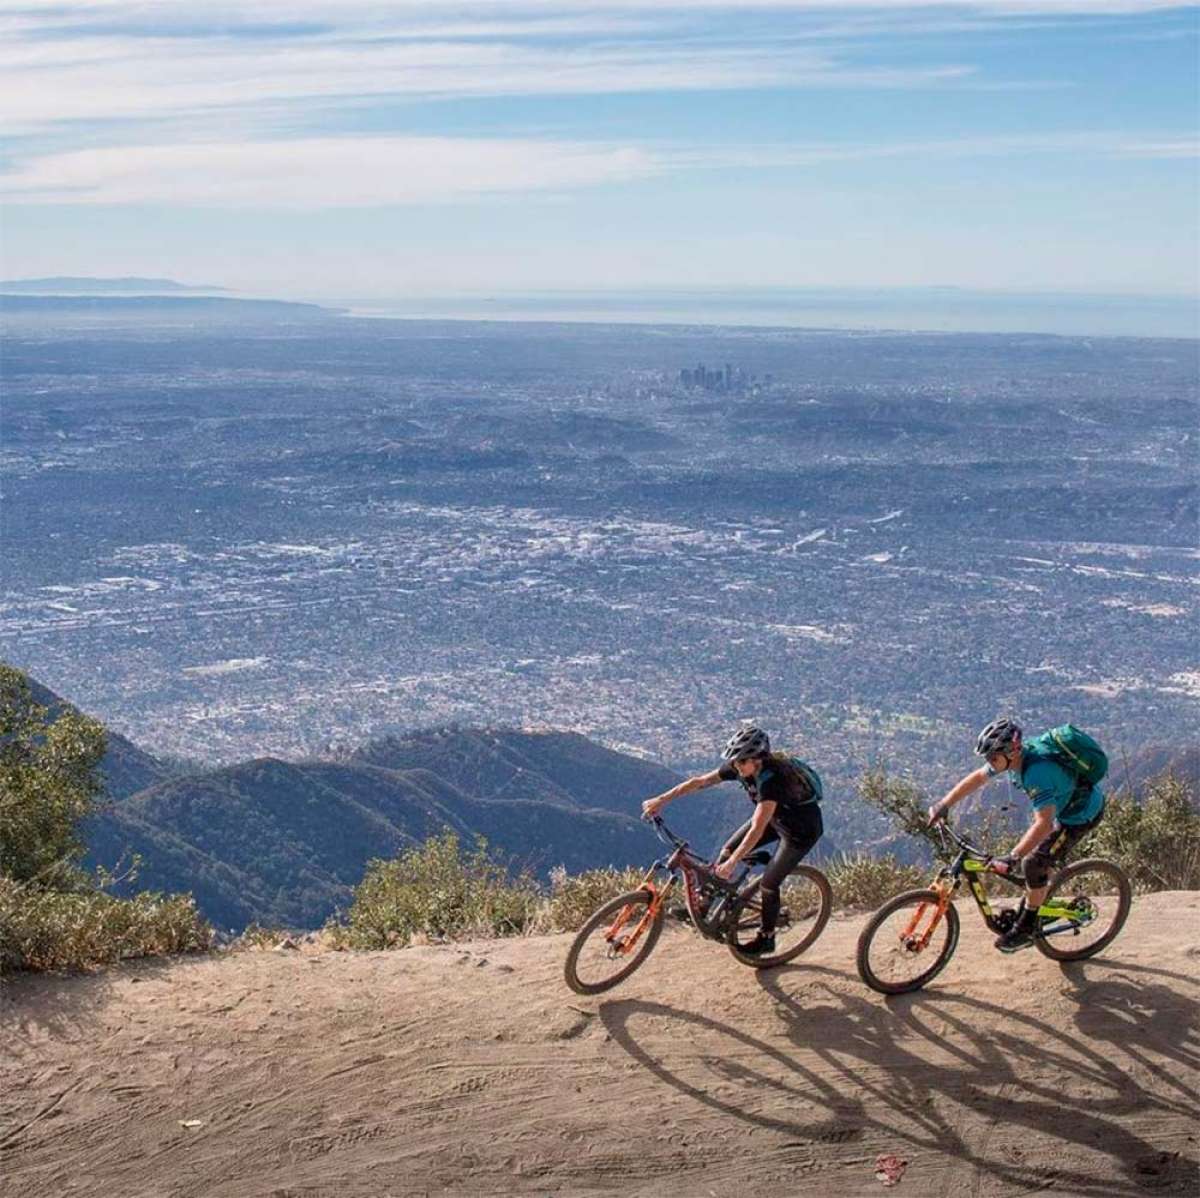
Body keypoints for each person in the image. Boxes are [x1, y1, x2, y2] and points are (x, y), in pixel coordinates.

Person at [641, 723, 823, 956]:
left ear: (757, 759)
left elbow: (757, 827)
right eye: (734, 761)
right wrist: (661, 799)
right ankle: (704, 906)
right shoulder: (740, 768)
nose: (736, 766)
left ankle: (766, 938)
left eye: (741, 761)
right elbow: (699, 781)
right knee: (727, 849)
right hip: (776, 820)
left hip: (801, 831)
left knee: (768, 884)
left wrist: (733, 863)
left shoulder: (772, 781)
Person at [927, 717, 1106, 953]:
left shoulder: (1036, 774)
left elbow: (1044, 823)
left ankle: (1027, 927)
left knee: (1033, 862)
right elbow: (978, 777)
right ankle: (1037, 893)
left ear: (1012, 752)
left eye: (993, 757)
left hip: (1079, 816)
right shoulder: (1012, 758)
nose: (990, 762)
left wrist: (1012, 856)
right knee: (1029, 869)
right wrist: (944, 804)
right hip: (1062, 807)